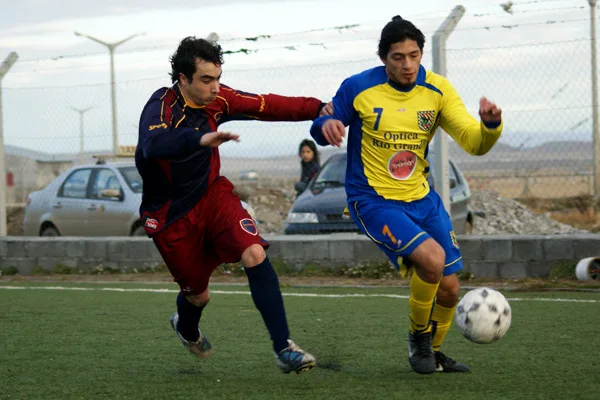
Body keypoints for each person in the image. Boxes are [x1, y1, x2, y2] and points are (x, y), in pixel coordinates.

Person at [310, 16, 502, 374]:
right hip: (372, 199)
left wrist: (490, 127)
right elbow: (321, 123)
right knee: (431, 259)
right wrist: (327, 125)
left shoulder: (438, 90)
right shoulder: (359, 87)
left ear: (421, 53)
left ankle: (435, 352)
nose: (407, 65)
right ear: (384, 58)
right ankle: (418, 339)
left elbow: (474, 143)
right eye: (398, 57)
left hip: (422, 198)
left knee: (449, 287)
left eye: (414, 55)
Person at [136, 36, 332, 374]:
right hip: (171, 215)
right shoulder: (160, 107)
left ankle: (284, 348)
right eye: (206, 80)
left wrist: (318, 108)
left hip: (212, 195)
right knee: (199, 297)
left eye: (218, 78)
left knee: (254, 252)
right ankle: (186, 327)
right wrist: (198, 139)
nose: (215, 88)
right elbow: (154, 144)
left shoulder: (219, 98)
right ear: (183, 79)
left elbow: (266, 105)